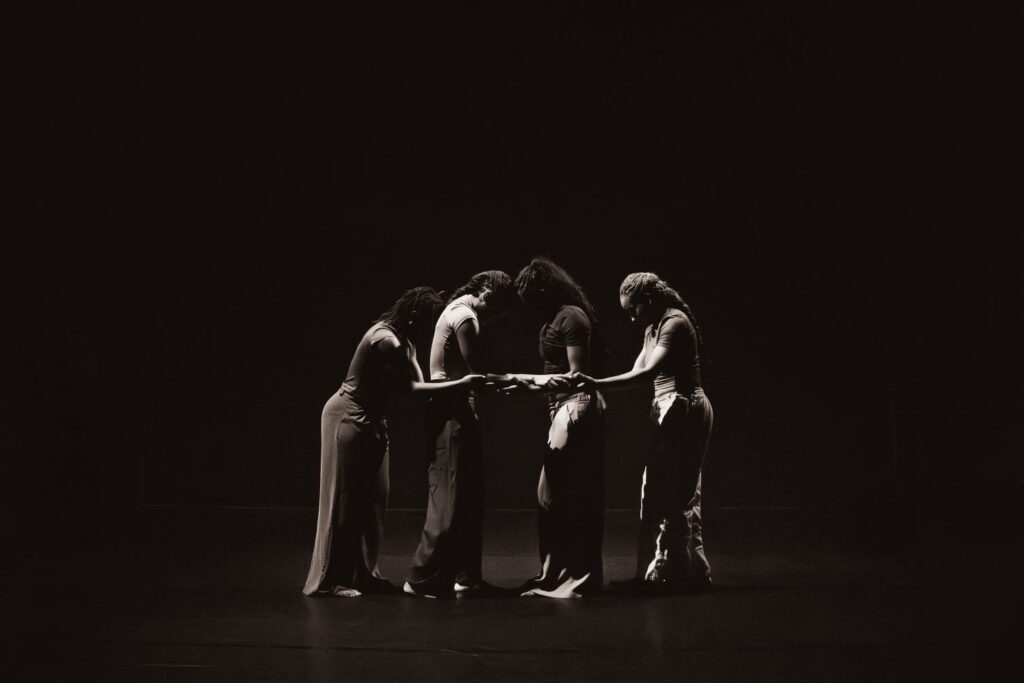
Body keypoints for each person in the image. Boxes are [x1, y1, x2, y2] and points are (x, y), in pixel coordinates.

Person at [303, 287, 486, 597]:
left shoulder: (405, 343)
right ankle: (333, 579)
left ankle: (363, 573)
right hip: (347, 418)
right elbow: (415, 390)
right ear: (414, 317)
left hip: (373, 421)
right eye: (430, 318)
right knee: (344, 500)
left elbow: (422, 383)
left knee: (374, 499)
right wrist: (463, 384)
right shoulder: (385, 340)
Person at [576, 272, 713, 592]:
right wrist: (598, 383)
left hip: (684, 407)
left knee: (676, 493)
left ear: (648, 300)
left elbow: (648, 372)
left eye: (633, 308)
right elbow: (639, 370)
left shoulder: (675, 323)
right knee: (655, 492)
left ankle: (678, 573)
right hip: (666, 407)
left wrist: (596, 384)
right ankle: (668, 572)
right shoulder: (653, 327)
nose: (631, 316)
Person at [404, 271, 518, 598]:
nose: (498, 313)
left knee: (466, 494)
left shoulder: (456, 310)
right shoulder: (465, 316)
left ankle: (465, 576)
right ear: (484, 289)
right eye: (497, 303)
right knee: (450, 495)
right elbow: (478, 372)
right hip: (450, 411)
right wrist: (519, 382)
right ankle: (421, 577)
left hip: (455, 410)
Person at [506, 257, 606, 598]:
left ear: (544, 290)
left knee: (571, 496)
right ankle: (552, 573)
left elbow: (578, 375)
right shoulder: (550, 321)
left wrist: (526, 381)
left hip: (575, 407)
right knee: (549, 496)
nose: (528, 306)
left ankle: (578, 580)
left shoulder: (572, 317)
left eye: (531, 297)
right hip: (559, 410)